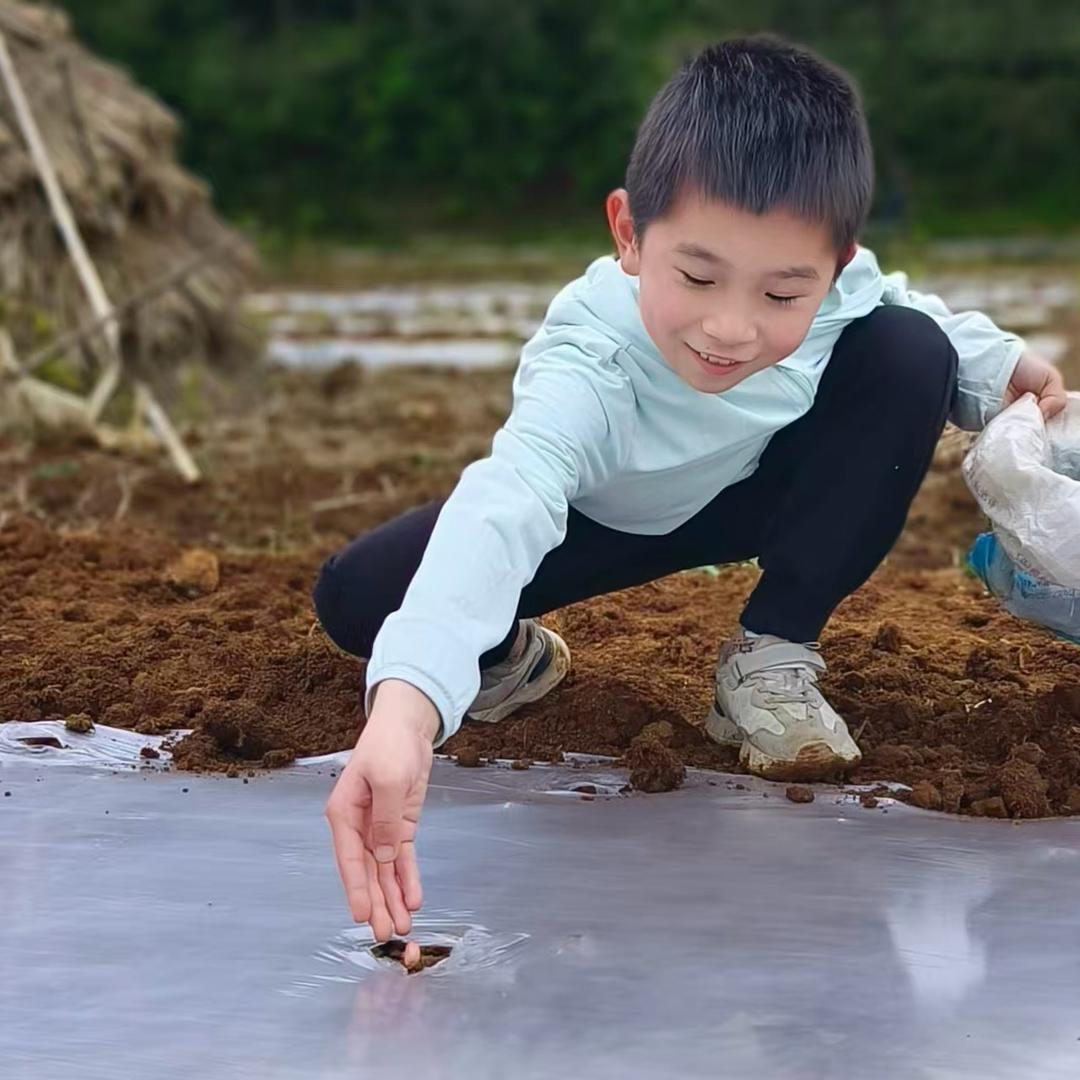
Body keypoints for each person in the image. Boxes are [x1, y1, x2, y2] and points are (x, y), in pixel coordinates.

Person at [313, 33, 1068, 943]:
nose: (731, 328)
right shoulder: (588, 360)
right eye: (698, 276)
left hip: (770, 488)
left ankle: (771, 653)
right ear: (629, 234)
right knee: (361, 602)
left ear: (831, 264)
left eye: (783, 294)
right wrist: (404, 713)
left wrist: (1007, 370)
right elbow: (508, 498)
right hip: (611, 514)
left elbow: (901, 304)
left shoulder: (838, 285)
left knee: (914, 352)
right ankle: (512, 659)